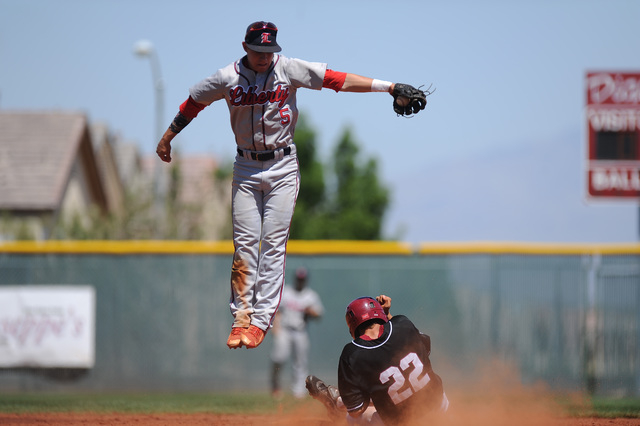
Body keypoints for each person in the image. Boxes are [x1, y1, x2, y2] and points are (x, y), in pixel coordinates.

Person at [155, 21, 427, 350]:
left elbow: (336, 80)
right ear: (245, 47)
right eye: (258, 51)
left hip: (282, 166)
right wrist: (169, 136)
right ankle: (241, 316)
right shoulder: (227, 77)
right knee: (244, 247)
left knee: (271, 245)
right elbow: (194, 102)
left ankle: (260, 321)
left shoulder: (289, 69)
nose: (264, 57)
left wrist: (390, 86)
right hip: (245, 167)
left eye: (270, 51)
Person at [306, 295, 449, 425]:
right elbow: (426, 350)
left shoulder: (352, 353)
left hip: (401, 423)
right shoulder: (403, 323)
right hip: (440, 407)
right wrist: (387, 315)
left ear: (352, 325)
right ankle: (339, 400)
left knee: (353, 416)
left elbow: (356, 409)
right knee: (390, 390)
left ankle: (337, 405)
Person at [270, 266, 324, 398]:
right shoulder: (287, 292)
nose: (300, 281)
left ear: (305, 280)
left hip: (300, 331)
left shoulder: (310, 295)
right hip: (284, 330)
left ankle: (298, 391)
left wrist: (311, 312)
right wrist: (275, 328)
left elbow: (319, 314)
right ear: (295, 278)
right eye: (299, 279)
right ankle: (275, 385)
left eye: (303, 279)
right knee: (279, 357)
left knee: (300, 362)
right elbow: (277, 312)